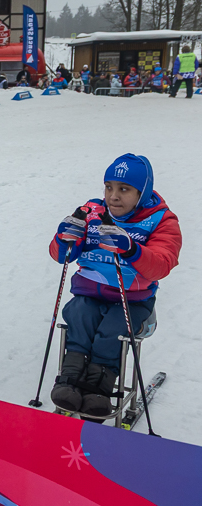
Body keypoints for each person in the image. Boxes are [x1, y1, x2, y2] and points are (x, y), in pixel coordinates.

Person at [49, 154, 181, 417]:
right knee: (78, 316)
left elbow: (163, 264)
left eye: (124, 189)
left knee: (112, 331)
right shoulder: (91, 211)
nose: (113, 196)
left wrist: (132, 250)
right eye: (109, 187)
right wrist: (64, 239)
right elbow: (62, 255)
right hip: (89, 292)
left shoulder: (161, 220)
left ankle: (98, 391)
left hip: (132, 300)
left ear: (142, 193)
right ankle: (70, 382)